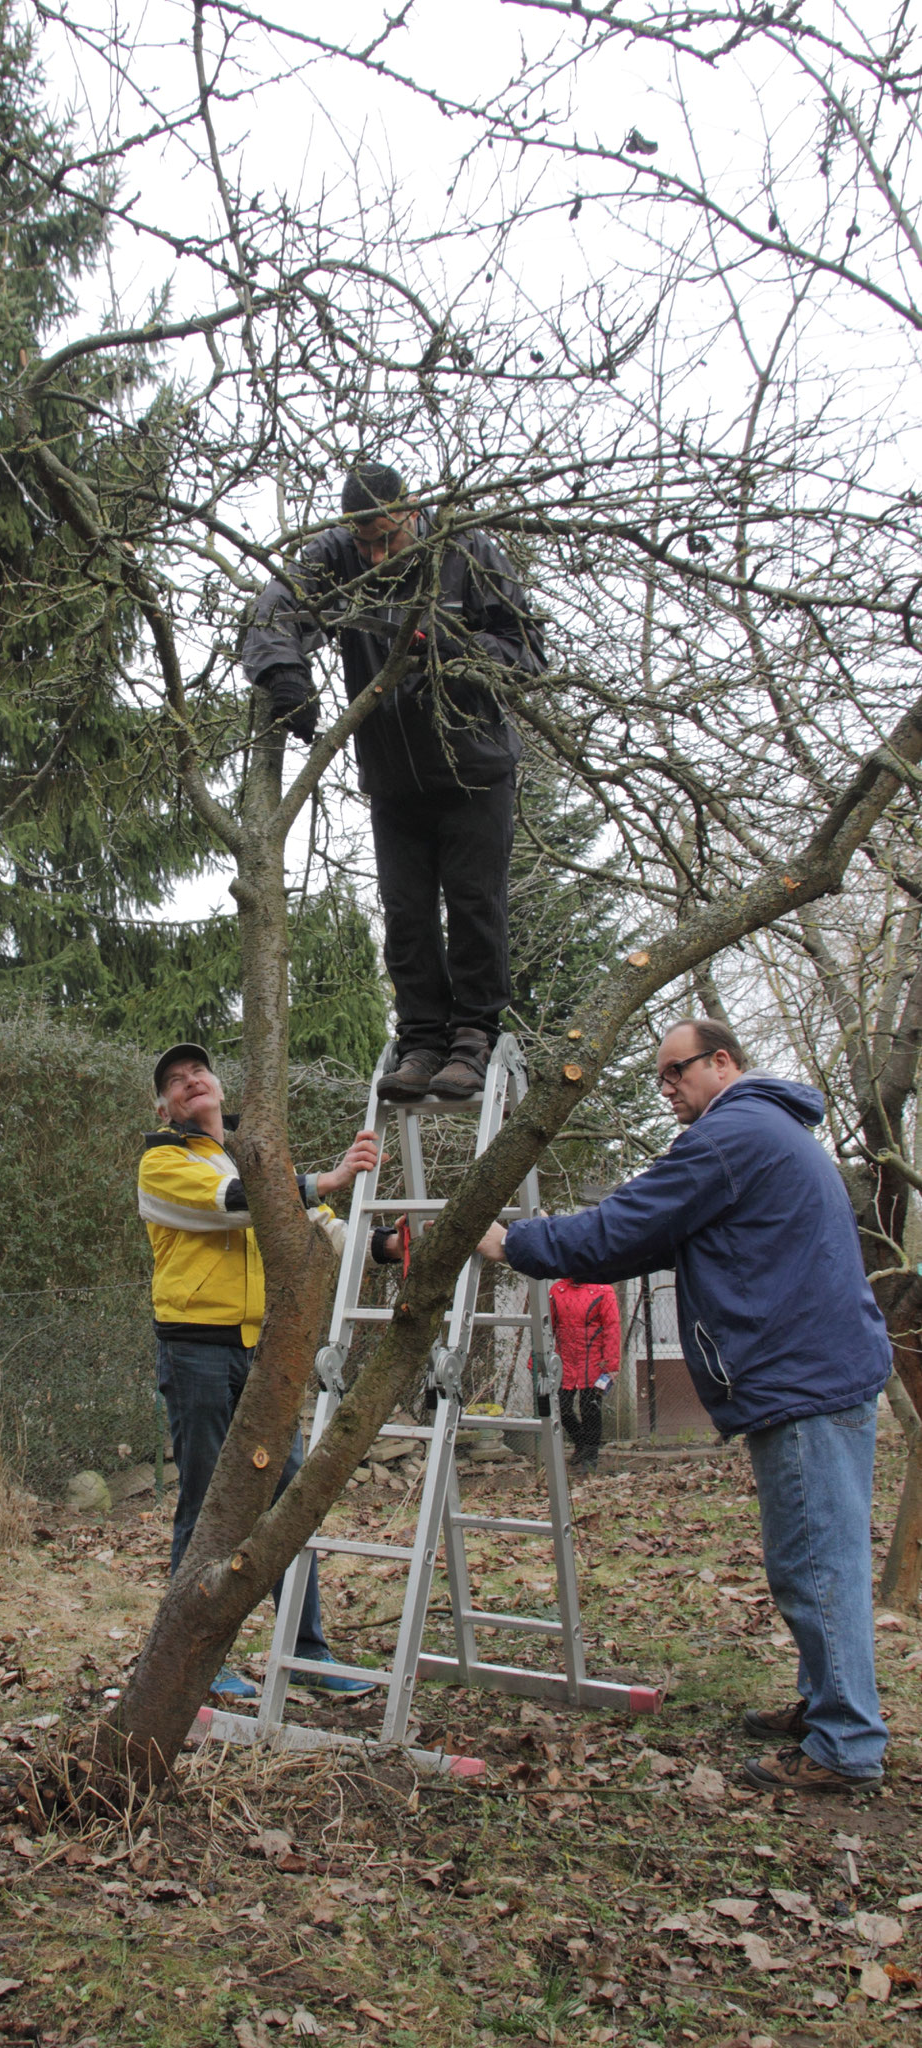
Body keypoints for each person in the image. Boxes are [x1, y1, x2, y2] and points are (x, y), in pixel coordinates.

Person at [477, 1017, 892, 1795]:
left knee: (814, 1563)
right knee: (812, 1554)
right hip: (812, 1371)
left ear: (723, 1062)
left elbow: (621, 1227)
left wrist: (509, 1242)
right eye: (658, 1078)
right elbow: (644, 1243)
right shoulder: (761, 1132)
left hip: (801, 1379)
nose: (666, 1089)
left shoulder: (730, 1137)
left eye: (676, 1072)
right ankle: (827, 1706)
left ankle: (845, 1743)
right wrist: (546, 1244)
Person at [243, 462, 545, 1105]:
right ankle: (422, 1040)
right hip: (393, 774)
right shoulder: (336, 555)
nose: (377, 555)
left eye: (387, 539)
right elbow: (276, 606)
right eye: (366, 545)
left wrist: (453, 652)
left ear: (412, 510)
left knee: (471, 903)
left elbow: (526, 650)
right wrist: (284, 676)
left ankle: (472, 1036)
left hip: (474, 766)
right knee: (406, 915)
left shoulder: (466, 550)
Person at [139, 1041, 400, 1700]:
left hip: (263, 1352)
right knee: (207, 1509)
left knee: (285, 1501)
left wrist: (385, 1244)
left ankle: (306, 1652)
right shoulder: (162, 1162)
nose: (190, 1080)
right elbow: (232, 1203)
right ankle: (191, 1663)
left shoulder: (253, 1157)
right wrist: (327, 1179)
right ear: (164, 1105)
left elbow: (310, 1226)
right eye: (174, 1080)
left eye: (197, 1070)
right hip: (195, 1349)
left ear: (218, 1085)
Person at [549, 1274, 621, 1477]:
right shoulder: (557, 1290)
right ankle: (581, 1442)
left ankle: (590, 1457)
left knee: (589, 1408)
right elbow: (548, 1327)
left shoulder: (603, 1290)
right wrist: (536, 1359)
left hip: (594, 1361)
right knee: (561, 1406)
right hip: (566, 1360)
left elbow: (612, 1326)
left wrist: (611, 1363)